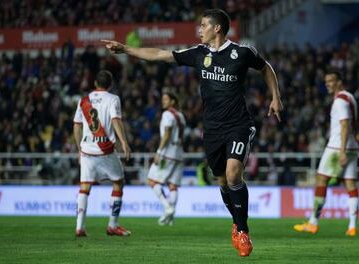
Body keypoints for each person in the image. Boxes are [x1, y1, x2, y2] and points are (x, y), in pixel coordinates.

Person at [102, 8, 282, 257]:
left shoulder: (241, 52)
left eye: (203, 25)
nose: (199, 30)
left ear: (216, 28)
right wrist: (126, 49)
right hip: (212, 128)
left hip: (239, 124)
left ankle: (242, 231)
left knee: (233, 174)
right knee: (221, 180)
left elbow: (266, 68)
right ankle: (236, 222)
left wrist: (276, 97)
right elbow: (160, 55)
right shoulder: (199, 54)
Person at [293, 70, 359, 237]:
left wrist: (342, 151)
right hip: (352, 146)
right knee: (350, 184)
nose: (328, 84)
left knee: (321, 179)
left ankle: (313, 223)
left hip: (338, 147)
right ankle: (352, 227)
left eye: (331, 81)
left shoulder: (339, 102)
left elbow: (344, 125)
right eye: (326, 82)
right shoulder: (350, 97)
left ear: (339, 81)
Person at [73, 70, 131, 237]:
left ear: (95, 84)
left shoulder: (83, 101)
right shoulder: (113, 99)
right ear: (110, 84)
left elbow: (76, 126)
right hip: (105, 150)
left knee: (84, 187)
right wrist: (124, 142)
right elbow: (115, 120)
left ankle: (80, 227)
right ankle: (112, 225)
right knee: (118, 182)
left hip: (86, 150)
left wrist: (79, 148)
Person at [147, 89, 186, 226]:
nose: (163, 102)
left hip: (167, 154)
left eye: (166, 100)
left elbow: (167, 133)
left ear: (173, 101)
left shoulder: (167, 114)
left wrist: (159, 151)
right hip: (179, 153)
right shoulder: (181, 115)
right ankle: (171, 216)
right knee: (173, 186)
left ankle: (167, 207)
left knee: (152, 181)